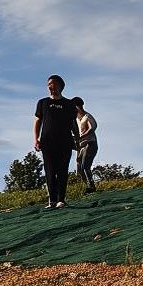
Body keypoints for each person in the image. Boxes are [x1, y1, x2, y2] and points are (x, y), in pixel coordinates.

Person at [33, 75, 78, 209]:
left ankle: (61, 200)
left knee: (62, 170)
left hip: (65, 141)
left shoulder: (69, 104)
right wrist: (36, 139)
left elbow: (73, 123)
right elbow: (38, 121)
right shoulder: (43, 102)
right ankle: (52, 200)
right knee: (50, 171)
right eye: (48, 84)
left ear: (60, 86)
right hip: (47, 142)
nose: (50, 87)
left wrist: (78, 138)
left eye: (52, 84)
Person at [73, 97, 98, 193]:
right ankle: (84, 186)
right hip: (81, 146)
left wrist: (83, 135)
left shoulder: (87, 116)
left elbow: (93, 126)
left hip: (90, 144)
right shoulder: (76, 119)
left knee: (85, 166)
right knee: (79, 166)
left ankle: (91, 186)